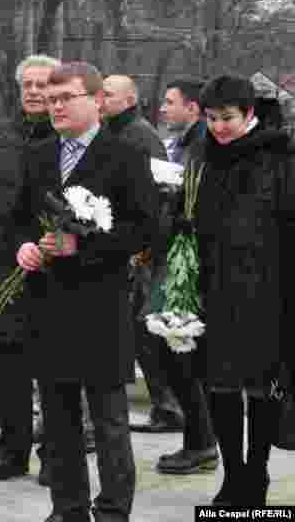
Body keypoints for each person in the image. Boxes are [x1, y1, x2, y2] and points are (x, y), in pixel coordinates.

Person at [15, 62, 157, 522]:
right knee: (59, 420)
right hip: (48, 305)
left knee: (109, 420)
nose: (54, 106)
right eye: (51, 100)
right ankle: (68, 508)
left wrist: (83, 244)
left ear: (96, 100)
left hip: (101, 304)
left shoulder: (125, 154)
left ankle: (113, 511)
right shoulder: (37, 154)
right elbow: (17, 218)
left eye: (65, 98)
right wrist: (23, 248)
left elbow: (144, 229)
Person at [193, 75, 293, 506]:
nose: (219, 127)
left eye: (228, 118)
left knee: (261, 387)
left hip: (266, 291)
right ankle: (233, 474)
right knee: (220, 387)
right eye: (211, 118)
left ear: (249, 114)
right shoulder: (203, 158)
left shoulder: (280, 157)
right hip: (214, 289)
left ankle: (258, 473)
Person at [0, 55, 59, 483]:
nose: (35, 92)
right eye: (29, 85)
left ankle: (56, 454)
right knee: (10, 363)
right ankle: (12, 451)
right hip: (3, 264)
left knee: (56, 364)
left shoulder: (68, 136)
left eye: (43, 84)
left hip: (53, 264)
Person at [101, 75, 185, 436]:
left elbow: (152, 197)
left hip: (144, 252)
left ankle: (169, 406)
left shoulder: (138, 136)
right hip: (136, 249)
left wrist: (142, 248)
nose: (101, 99)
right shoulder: (122, 132)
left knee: (146, 328)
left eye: (108, 94)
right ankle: (167, 405)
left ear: (129, 99)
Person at [150, 78, 218, 476]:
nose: (162, 107)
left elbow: (195, 205)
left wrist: (167, 197)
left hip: (186, 264)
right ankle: (199, 442)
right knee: (176, 354)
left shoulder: (201, 145)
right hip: (178, 257)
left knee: (180, 355)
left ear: (193, 108)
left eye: (170, 102)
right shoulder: (188, 142)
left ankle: (202, 444)